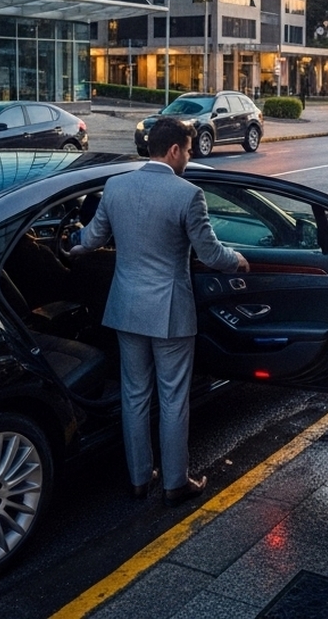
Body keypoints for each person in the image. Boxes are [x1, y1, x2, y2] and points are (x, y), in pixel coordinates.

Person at [70, 117, 248, 506]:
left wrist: (71, 247)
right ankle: (174, 484)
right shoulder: (188, 194)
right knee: (173, 399)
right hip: (169, 313)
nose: (188, 157)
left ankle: (138, 479)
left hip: (126, 308)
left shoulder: (115, 186)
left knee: (134, 395)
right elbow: (210, 254)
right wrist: (237, 260)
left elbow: (92, 239)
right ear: (173, 150)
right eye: (188, 151)